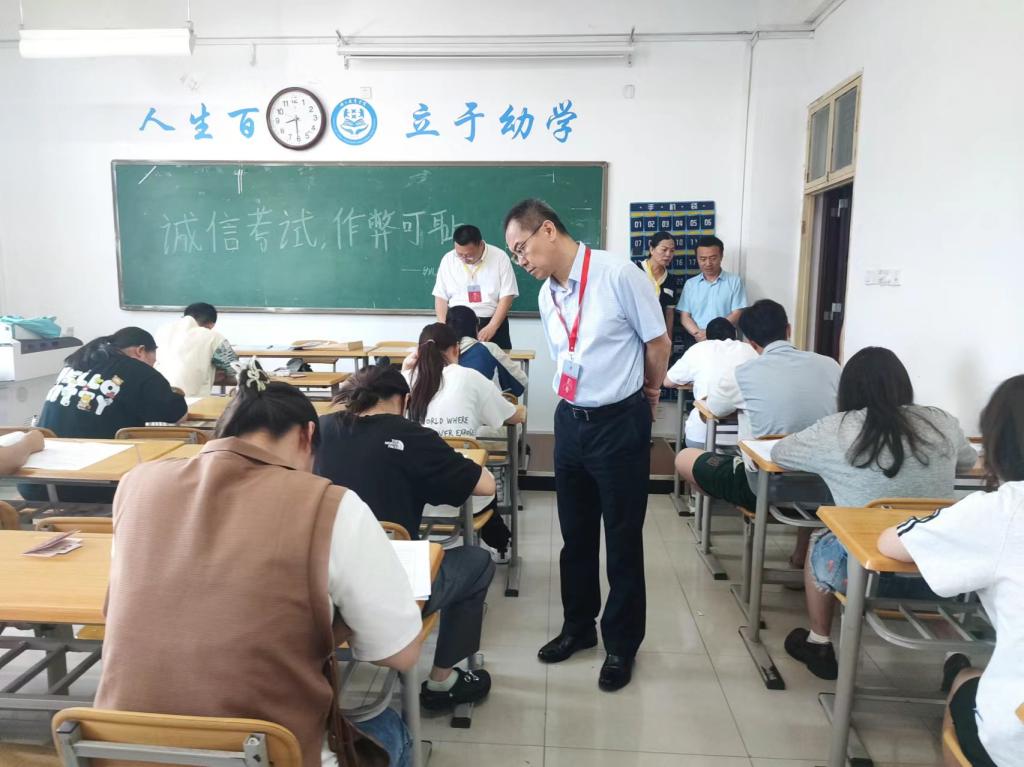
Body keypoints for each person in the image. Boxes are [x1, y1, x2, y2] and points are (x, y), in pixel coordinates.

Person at [95, 364, 422, 767]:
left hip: (120, 751)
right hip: (265, 752)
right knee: (392, 731)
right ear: (307, 436)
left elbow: (120, 607)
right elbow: (400, 654)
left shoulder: (137, 484)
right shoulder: (330, 504)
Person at [504, 198, 671, 692]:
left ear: (547, 230)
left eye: (521, 248)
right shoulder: (546, 295)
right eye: (514, 254)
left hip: (619, 421)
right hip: (571, 421)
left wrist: (650, 392)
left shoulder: (618, 275)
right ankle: (578, 627)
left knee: (622, 537)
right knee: (575, 536)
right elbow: (566, 355)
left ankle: (621, 644)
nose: (521, 261)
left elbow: (657, 342)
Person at [770, 347, 976, 680]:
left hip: (863, 575)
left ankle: (819, 641)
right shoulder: (940, 421)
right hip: (938, 572)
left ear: (847, 390)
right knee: (924, 554)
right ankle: (956, 656)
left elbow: (780, 453)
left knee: (821, 538)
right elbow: (967, 460)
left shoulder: (836, 429)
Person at [315, 363, 497, 711]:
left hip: (320, 585)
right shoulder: (412, 436)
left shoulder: (319, 430)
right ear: (405, 400)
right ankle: (442, 682)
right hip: (389, 587)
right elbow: (486, 485)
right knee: (477, 562)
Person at [877, 374, 1024, 767]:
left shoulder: (1002, 510)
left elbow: (893, 544)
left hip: (1015, 738)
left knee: (965, 680)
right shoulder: (939, 423)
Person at [674, 299, 840, 568]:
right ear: (788, 329)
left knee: (685, 458)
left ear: (751, 343)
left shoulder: (743, 373)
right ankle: (801, 554)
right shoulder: (830, 366)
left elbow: (712, 409)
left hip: (764, 487)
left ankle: (719, 522)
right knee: (809, 465)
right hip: (827, 485)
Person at [22, 327, 187, 504]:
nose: (153, 365)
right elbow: (178, 416)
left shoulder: (76, 363)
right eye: (153, 360)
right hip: (91, 485)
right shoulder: (139, 370)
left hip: (36, 482)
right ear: (140, 351)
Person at [404, 323, 524, 440]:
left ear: (418, 352)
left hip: (416, 453)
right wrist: (522, 412)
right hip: (461, 452)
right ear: (456, 349)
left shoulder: (407, 378)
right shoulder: (471, 376)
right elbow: (512, 417)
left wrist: (405, 369)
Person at [663, 316, 757, 449]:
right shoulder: (749, 349)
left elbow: (668, 382)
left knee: (689, 452)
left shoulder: (698, 349)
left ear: (706, 337)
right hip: (746, 440)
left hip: (703, 436)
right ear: (735, 334)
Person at [432, 224, 519, 350]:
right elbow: (440, 297)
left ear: (481, 244)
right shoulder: (448, 260)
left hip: (491, 322)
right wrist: (443, 327)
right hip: (457, 323)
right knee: (458, 361)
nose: (464, 259)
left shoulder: (500, 257)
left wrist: (492, 327)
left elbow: (507, 296)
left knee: (498, 359)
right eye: (459, 254)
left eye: (468, 255)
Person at [676, 235, 746, 347]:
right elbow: (685, 317)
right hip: (696, 340)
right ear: (697, 258)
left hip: (724, 340)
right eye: (703, 259)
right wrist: (698, 334)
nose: (708, 263)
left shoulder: (734, 281)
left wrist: (712, 333)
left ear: (721, 256)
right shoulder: (690, 284)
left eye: (713, 258)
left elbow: (737, 313)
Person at [155, 302, 238, 396]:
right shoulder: (213, 336)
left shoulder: (162, 331)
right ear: (211, 325)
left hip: (156, 397)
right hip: (192, 401)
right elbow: (235, 369)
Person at [445, 305, 527, 398]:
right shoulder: (488, 349)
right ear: (475, 326)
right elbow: (521, 382)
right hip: (487, 406)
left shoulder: (436, 352)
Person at [640, 231, 679, 333]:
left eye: (672, 251)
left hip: (659, 334)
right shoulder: (636, 271)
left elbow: (669, 313)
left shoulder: (670, 280)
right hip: (636, 332)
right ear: (652, 249)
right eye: (664, 250)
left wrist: (668, 339)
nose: (668, 254)